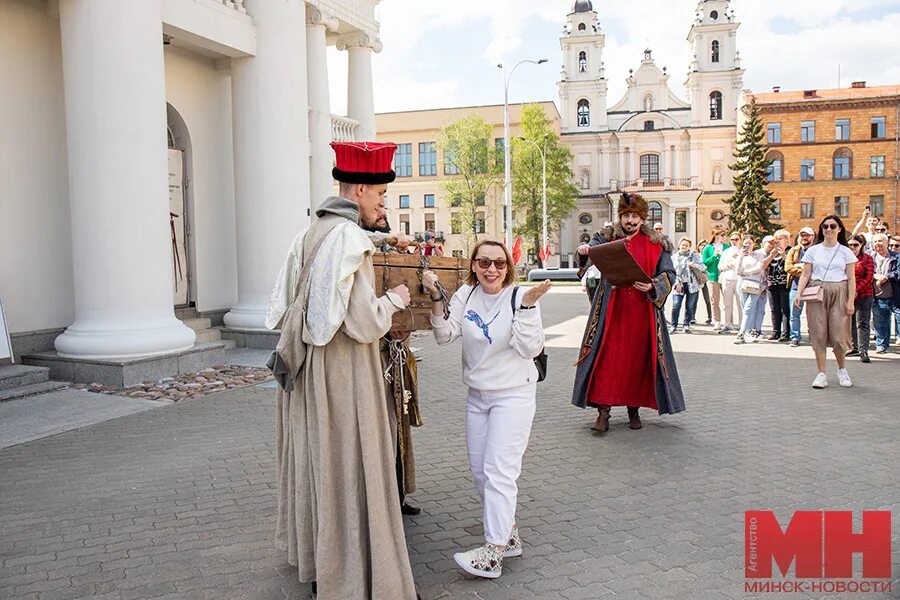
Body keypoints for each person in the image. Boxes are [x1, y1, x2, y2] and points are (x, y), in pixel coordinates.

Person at [266, 141, 418, 599]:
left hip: (308, 374)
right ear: (357, 191)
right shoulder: (350, 240)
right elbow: (362, 321)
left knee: (320, 465)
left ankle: (320, 566)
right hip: (344, 373)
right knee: (350, 467)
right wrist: (395, 300)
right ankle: (352, 577)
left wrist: (385, 239)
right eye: (379, 196)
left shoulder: (311, 232)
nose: (383, 204)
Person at [422, 242, 550, 579]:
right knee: (481, 472)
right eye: (483, 262)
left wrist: (526, 308)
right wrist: (437, 296)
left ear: (508, 266)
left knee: (499, 472)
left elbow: (529, 348)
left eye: (498, 263)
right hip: (478, 396)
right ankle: (508, 536)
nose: (491, 270)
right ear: (474, 266)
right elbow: (445, 335)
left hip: (514, 395)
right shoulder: (467, 293)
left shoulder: (520, 296)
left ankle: (493, 552)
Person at [573, 192, 685, 433]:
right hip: (611, 314)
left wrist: (654, 284)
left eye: (635, 216)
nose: (630, 221)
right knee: (606, 361)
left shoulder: (658, 244)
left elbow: (670, 274)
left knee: (637, 362)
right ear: (620, 217)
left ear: (642, 219)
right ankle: (603, 413)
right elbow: (590, 251)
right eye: (626, 215)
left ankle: (633, 410)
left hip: (642, 315)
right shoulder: (606, 237)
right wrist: (584, 251)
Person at [363, 216, 424, 516]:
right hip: (371, 362)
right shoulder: (360, 260)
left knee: (399, 429)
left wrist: (405, 329)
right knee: (377, 432)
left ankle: (398, 495)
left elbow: (412, 306)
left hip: (395, 357)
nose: (384, 209)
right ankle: (378, 502)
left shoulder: (398, 263)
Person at [795, 215, 857, 389]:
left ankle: (842, 369)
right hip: (817, 292)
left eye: (832, 226)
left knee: (839, 334)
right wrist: (798, 294)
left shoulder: (846, 251)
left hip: (839, 290)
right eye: (825, 227)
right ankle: (821, 373)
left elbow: (852, 279)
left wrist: (850, 301)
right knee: (818, 332)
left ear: (839, 229)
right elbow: (806, 274)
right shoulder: (813, 250)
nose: (828, 229)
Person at [785, 227, 816, 347]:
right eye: (802, 235)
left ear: (812, 237)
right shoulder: (794, 250)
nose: (804, 238)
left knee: (812, 314)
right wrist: (803, 270)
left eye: (807, 235)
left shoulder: (816, 251)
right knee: (794, 314)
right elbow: (788, 267)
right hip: (795, 286)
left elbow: (816, 268)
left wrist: (800, 267)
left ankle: (813, 336)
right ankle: (795, 337)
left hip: (812, 287)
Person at [870, 233, 900, 353]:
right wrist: (874, 275)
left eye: (881, 241)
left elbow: (898, 272)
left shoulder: (897, 257)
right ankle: (881, 345)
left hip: (896, 296)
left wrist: (886, 277)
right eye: (876, 241)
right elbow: (865, 272)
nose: (878, 244)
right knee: (880, 322)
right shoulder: (870, 258)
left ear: (887, 243)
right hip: (878, 296)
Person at [846, 234, 874, 363]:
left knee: (862, 323)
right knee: (851, 322)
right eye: (850, 245)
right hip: (848, 294)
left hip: (864, 294)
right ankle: (854, 347)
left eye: (855, 245)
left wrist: (856, 290)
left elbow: (869, 277)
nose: (852, 247)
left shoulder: (867, 258)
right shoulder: (844, 258)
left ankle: (863, 350)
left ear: (861, 245)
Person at [734, 236, 767, 344]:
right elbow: (738, 270)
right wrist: (740, 258)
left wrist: (746, 272)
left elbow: (758, 267)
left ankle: (741, 333)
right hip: (742, 283)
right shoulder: (741, 255)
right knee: (745, 309)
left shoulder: (759, 255)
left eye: (749, 243)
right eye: (745, 243)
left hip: (755, 284)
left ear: (754, 244)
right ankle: (748, 330)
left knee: (749, 307)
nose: (747, 245)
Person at [670, 237, 704, 334]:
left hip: (692, 285)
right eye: (682, 245)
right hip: (679, 285)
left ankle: (686, 325)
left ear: (689, 247)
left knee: (689, 306)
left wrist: (694, 265)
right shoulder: (674, 257)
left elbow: (703, 267)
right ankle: (674, 325)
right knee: (676, 305)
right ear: (679, 245)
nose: (684, 246)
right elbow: (671, 272)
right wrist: (677, 283)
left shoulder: (694, 256)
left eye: (686, 245)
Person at [762, 230, 791, 341]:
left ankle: (786, 333)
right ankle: (776, 332)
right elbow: (764, 265)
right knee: (774, 309)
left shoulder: (790, 250)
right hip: (772, 283)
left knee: (785, 309)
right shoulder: (772, 252)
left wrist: (783, 253)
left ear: (786, 239)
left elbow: (789, 264)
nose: (778, 241)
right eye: (776, 239)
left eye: (780, 238)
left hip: (784, 284)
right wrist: (771, 255)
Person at [717, 231, 745, 334]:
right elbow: (720, 266)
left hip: (739, 279)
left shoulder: (743, 251)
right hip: (727, 279)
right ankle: (727, 323)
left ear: (740, 240)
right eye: (732, 239)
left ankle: (742, 324)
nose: (734, 241)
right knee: (727, 304)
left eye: (736, 239)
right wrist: (727, 266)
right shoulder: (726, 252)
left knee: (740, 303)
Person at [702, 228, 730, 330]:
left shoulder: (727, 247)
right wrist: (714, 256)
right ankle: (717, 321)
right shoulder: (708, 248)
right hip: (713, 277)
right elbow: (704, 262)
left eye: (724, 235)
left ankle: (728, 321)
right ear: (715, 236)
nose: (724, 237)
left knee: (728, 300)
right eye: (721, 235)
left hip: (725, 276)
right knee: (715, 300)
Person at [694, 240, 713, 325]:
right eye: (701, 245)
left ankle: (710, 317)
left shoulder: (708, 255)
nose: (702, 247)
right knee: (694, 299)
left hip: (705, 278)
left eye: (704, 246)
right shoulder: (695, 255)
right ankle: (692, 317)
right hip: (696, 278)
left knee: (707, 299)